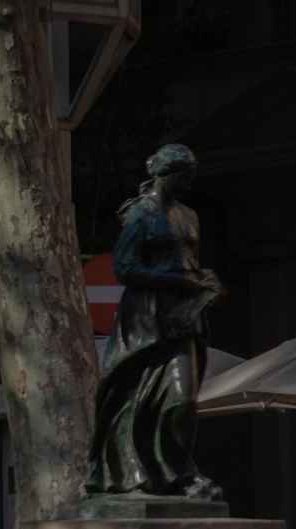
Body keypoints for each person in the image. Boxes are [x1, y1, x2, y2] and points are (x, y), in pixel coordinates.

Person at [86, 143, 225, 500]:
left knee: (183, 399)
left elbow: (189, 262)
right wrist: (177, 279)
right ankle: (138, 473)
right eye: (186, 176)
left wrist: (203, 280)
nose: (190, 183)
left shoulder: (189, 215)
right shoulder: (140, 215)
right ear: (168, 174)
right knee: (137, 397)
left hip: (184, 317)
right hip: (146, 319)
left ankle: (177, 475)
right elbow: (125, 268)